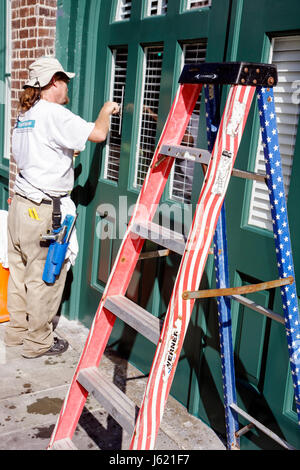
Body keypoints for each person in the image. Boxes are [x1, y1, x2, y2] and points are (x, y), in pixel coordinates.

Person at [4, 57, 119, 359]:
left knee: (19, 274)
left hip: (20, 207)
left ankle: (16, 333)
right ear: (54, 81)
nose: (68, 84)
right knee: (46, 277)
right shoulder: (55, 113)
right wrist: (107, 110)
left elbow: (31, 156)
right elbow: (98, 134)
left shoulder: (25, 117)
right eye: (65, 79)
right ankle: (38, 342)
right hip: (43, 212)